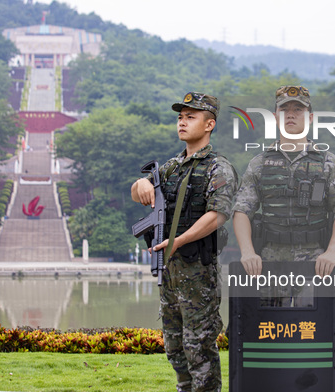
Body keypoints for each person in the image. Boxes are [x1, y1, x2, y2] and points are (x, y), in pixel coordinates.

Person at [131, 92, 238, 392]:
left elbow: (218, 214)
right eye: (180, 117)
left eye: (190, 117)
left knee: (199, 349)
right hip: (171, 273)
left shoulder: (218, 168)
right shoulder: (171, 168)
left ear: (209, 124)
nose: (182, 122)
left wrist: (179, 240)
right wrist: (139, 184)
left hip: (197, 273)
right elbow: (138, 190)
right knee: (175, 348)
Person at [232, 85, 335, 306]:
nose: (290, 114)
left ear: (311, 117)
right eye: (284, 109)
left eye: (298, 109)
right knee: (269, 331)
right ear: (275, 117)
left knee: (313, 331)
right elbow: (241, 209)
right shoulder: (260, 163)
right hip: (269, 260)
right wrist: (248, 252)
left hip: (316, 260)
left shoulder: (328, 162)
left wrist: (332, 252)